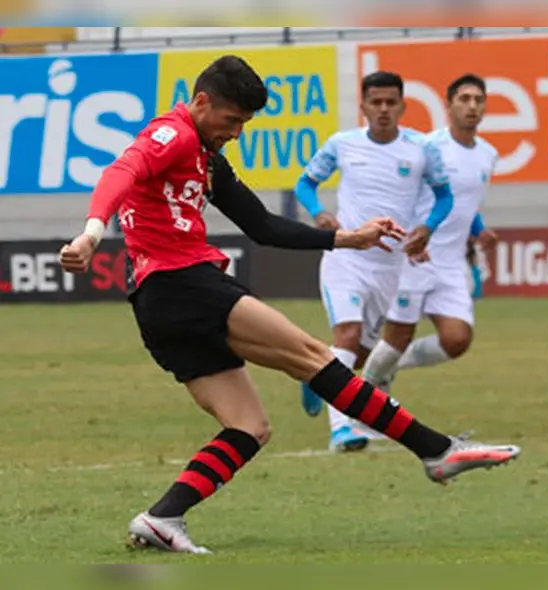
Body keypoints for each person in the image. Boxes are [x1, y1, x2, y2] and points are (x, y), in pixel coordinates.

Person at [57, 55, 520, 554]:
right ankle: (437, 451)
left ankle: (162, 517)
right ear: (201, 102)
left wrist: (347, 238)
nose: (235, 133)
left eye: (244, 124)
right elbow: (120, 172)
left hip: (159, 304)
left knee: (250, 427)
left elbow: (263, 227)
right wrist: (91, 234)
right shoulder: (175, 134)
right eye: (231, 121)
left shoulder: (206, 158)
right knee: (314, 356)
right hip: (183, 284)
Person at [294, 71, 457, 452]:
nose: (383, 110)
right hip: (345, 257)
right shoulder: (342, 144)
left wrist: (427, 227)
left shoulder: (421, 148)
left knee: (357, 354)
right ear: (364, 105)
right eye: (376, 102)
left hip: (390, 267)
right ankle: (341, 431)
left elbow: (444, 197)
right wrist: (318, 212)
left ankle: (316, 374)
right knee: (347, 337)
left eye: (390, 102)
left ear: (401, 105)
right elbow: (305, 183)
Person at [359, 73, 499, 407]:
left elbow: (464, 201)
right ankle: (361, 398)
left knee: (457, 340)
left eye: (478, 100)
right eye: (464, 99)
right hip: (415, 257)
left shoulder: (488, 154)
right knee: (397, 337)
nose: (472, 106)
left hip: (450, 264)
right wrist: (407, 237)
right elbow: (409, 195)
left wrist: (479, 229)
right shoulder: (429, 147)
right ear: (449, 105)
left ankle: (385, 371)